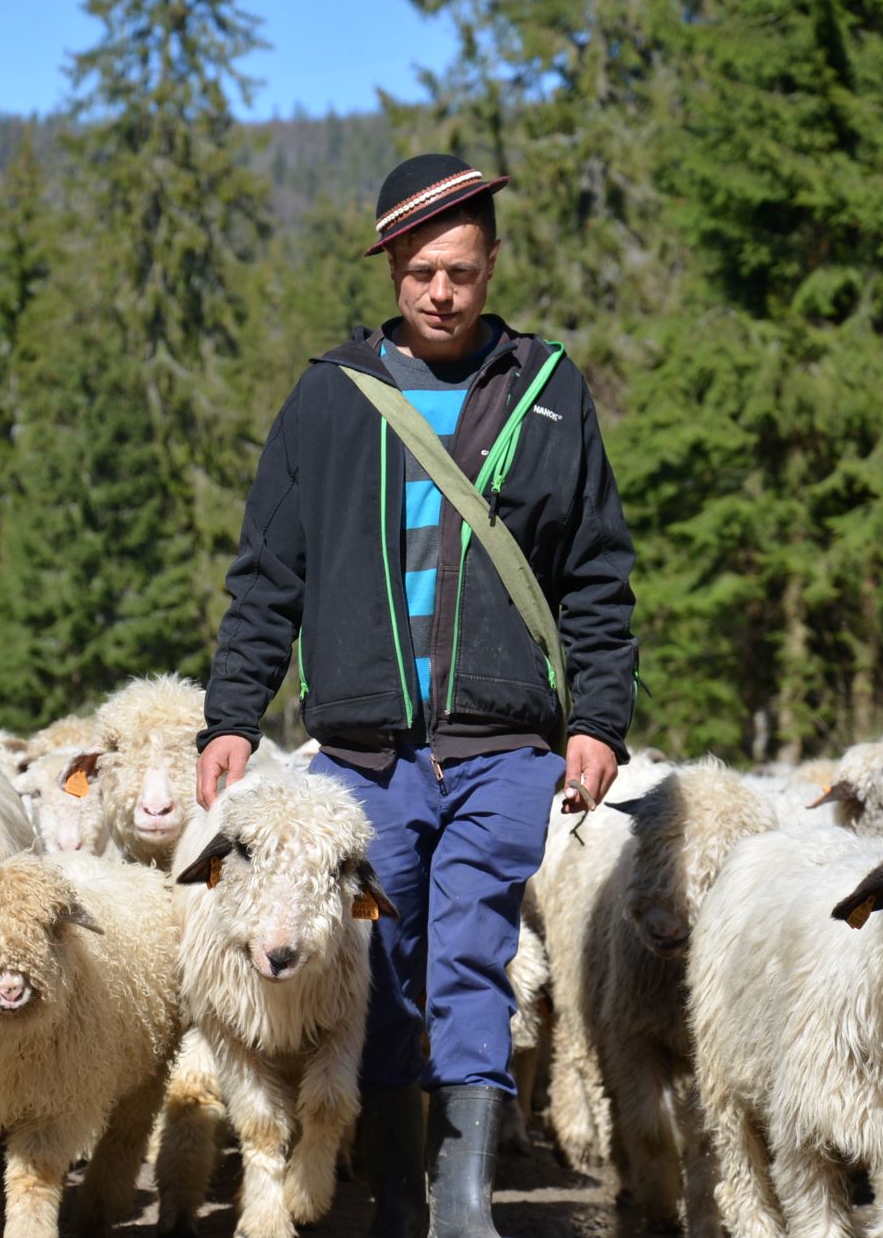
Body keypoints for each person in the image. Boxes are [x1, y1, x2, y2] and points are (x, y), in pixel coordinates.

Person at [195, 153, 638, 1238]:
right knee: (378, 961)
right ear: (391, 265)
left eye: (463, 272)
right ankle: (394, 1195)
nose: (442, 293)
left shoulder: (548, 390)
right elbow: (270, 572)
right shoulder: (330, 397)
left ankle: (463, 1204)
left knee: (476, 954)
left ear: (492, 266)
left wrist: (597, 719)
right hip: (366, 752)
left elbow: (595, 570)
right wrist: (231, 715)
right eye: (422, 271)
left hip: (504, 743)